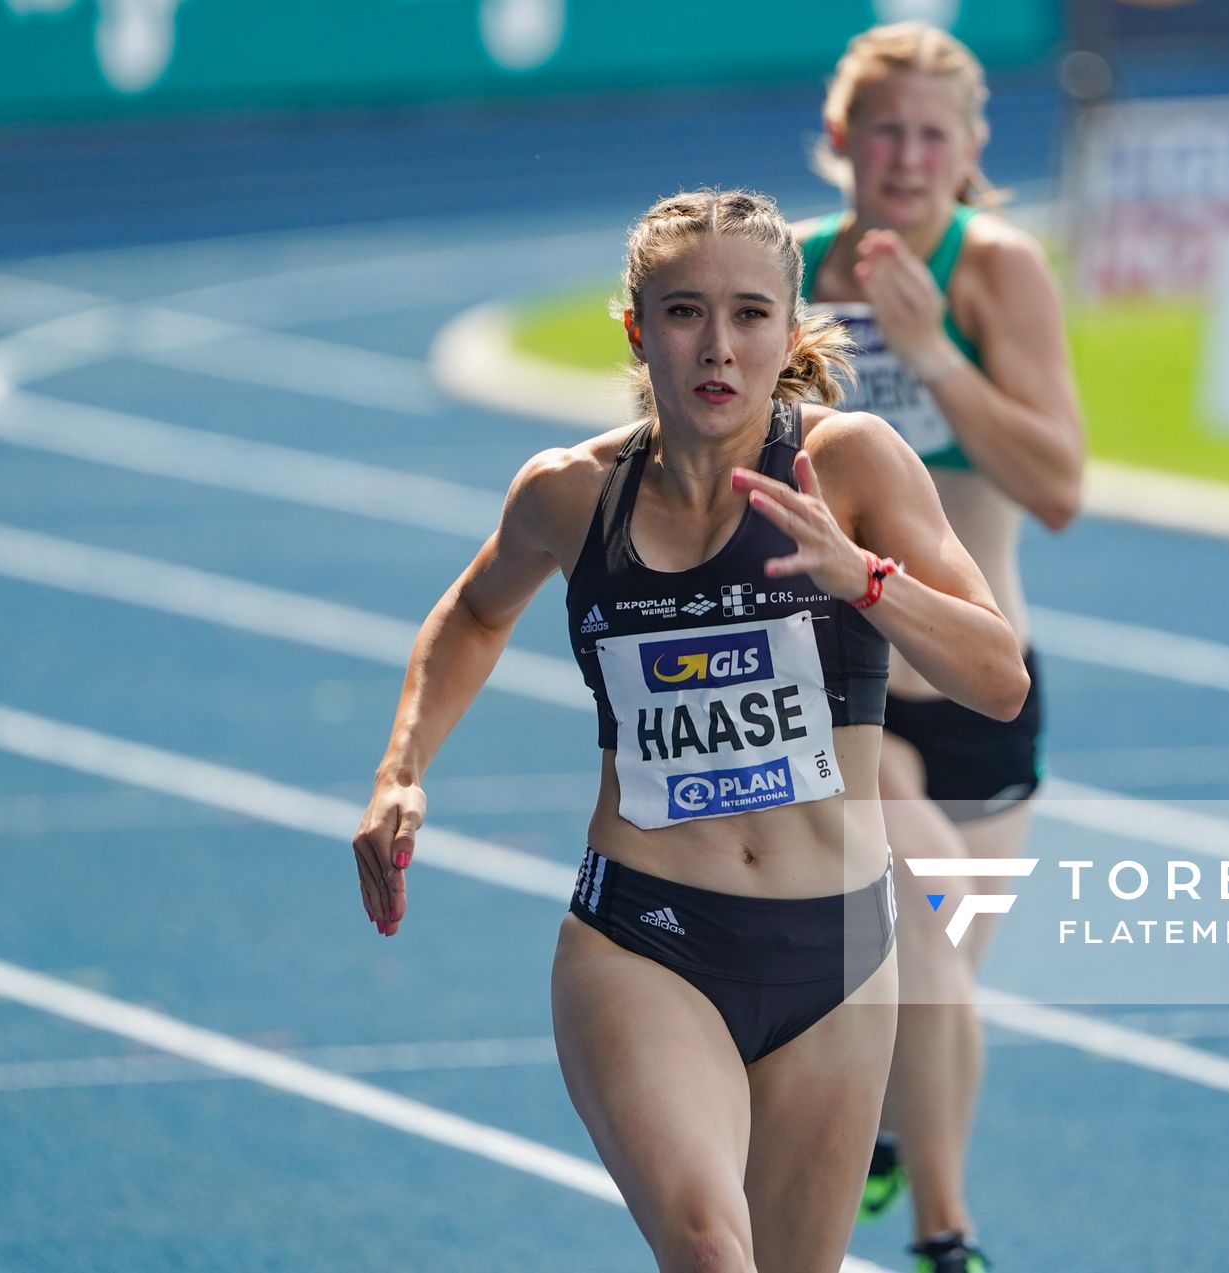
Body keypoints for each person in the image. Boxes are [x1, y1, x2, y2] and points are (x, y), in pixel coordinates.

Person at [351, 188, 1028, 1273]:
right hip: (648, 939)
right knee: (713, 1252)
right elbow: (476, 612)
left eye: (751, 314)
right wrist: (401, 769)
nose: (719, 345)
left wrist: (865, 582)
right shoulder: (571, 496)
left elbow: (998, 678)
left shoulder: (854, 467)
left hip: (839, 955)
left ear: (791, 327)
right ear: (635, 327)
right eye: (684, 313)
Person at [797, 22, 1086, 1273]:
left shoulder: (997, 272)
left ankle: (889, 1148)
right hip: (843, 687)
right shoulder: (788, 278)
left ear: (970, 150)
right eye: (884, 131)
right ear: (839, 141)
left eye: (933, 135)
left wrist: (928, 357)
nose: (906, 158)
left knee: (929, 1006)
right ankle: (949, 1242)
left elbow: (1060, 484)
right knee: (915, 945)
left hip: (983, 682)